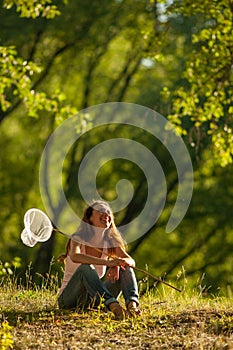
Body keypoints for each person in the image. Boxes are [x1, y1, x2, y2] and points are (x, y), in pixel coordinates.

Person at [58, 200, 141, 320]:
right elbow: (75, 256)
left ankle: (132, 306)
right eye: (101, 211)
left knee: (125, 267)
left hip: (94, 302)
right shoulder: (77, 238)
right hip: (69, 301)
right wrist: (107, 262)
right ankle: (113, 305)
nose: (106, 214)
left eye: (108, 212)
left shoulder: (110, 241)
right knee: (85, 267)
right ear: (89, 217)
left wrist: (117, 264)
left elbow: (130, 260)